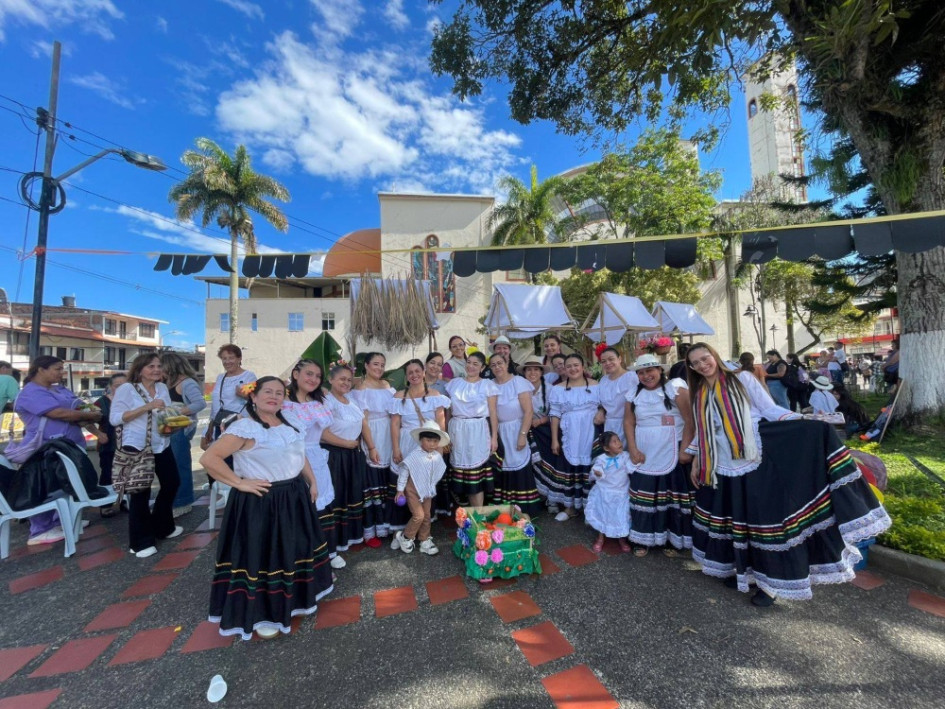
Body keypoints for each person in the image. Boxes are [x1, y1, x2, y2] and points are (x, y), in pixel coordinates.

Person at [684, 342, 891, 606]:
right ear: (691, 367)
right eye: (697, 362)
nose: (703, 365)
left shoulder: (741, 378)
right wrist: (696, 459)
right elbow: (706, 430)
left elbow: (768, 409)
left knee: (767, 517)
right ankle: (747, 573)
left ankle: (773, 585)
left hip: (756, 454)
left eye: (705, 358)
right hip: (723, 463)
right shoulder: (700, 391)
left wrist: (802, 421)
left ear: (715, 355)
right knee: (741, 519)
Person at [201, 376, 334, 640]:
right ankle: (265, 612)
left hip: (293, 495)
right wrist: (239, 483)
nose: (274, 397)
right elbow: (209, 458)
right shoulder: (245, 428)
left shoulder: (291, 422)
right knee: (266, 555)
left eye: (279, 393)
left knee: (294, 548)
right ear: (253, 396)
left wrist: (312, 480)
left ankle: (296, 599)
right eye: (267, 392)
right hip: (263, 500)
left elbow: (299, 453)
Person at [13, 356, 104, 544]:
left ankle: (61, 520)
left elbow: (78, 406)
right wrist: (89, 414)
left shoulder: (58, 389)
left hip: (69, 445)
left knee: (65, 484)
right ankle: (39, 530)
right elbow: (58, 413)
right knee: (45, 486)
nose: (61, 373)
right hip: (45, 448)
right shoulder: (31, 392)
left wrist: (90, 418)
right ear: (40, 369)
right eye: (57, 369)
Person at [110, 353, 182, 558]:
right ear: (140, 369)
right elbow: (115, 419)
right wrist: (146, 407)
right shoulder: (127, 389)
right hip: (136, 446)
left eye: (159, 366)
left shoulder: (161, 388)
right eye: (151, 366)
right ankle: (140, 542)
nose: (157, 369)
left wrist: (174, 423)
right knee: (140, 492)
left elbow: (163, 414)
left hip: (161, 444)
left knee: (172, 483)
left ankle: (162, 526)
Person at [624, 353, 695, 557]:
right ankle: (642, 537)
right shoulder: (632, 394)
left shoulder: (675, 387)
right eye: (641, 372)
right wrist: (633, 448)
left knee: (671, 494)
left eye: (650, 371)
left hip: (672, 447)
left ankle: (671, 539)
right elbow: (628, 422)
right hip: (645, 449)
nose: (646, 376)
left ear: (660, 370)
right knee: (644, 493)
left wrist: (686, 448)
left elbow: (690, 419)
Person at [283, 359, 345, 570]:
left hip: (316, 458)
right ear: (295, 374)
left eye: (318, 376)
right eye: (309, 374)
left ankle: (329, 550)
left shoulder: (320, 403)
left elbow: (323, 433)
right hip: (291, 459)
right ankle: (305, 556)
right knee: (301, 507)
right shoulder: (283, 403)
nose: (313, 379)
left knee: (322, 505)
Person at [390, 359, 451, 537]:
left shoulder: (435, 395)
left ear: (423, 372)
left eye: (418, 371)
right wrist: (395, 449)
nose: (414, 375)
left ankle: (423, 526)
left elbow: (441, 423)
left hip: (429, 444)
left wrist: (440, 448)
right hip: (407, 442)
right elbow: (395, 425)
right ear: (406, 376)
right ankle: (404, 528)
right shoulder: (399, 397)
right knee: (406, 483)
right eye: (410, 373)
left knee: (425, 483)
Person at [322, 364, 375, 552]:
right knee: (339, 497)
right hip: (335, 457)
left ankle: (353, 536)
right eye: (341, 379)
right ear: (331, 379)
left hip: (353, 455)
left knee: (353, 494)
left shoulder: (350, 401)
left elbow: (363, 424)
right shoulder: (326, 402)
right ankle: (335, 542)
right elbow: (321, 433)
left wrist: (372, 447)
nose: (345, 383)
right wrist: (347, 444)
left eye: (348, 379)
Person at [547, 353, 600, 521]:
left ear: (583, 366)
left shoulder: (597, 385)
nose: (573, 368)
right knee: (569, 469)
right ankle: (570, 508)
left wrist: (602, 411)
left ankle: (589, 510)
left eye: (576, 365)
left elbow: (606, 405)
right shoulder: (558, 389)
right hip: (569, 433)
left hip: (591, 432)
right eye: (568, 366)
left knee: (590, 469)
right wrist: (554, 439)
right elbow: (554, 414)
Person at [350, 352, 395, 547]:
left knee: (387, 481)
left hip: (390, 434)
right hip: (374, 435)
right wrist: (371, 446)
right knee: (373, 482)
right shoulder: (361, 389)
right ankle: (372, 530)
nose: (379, 368)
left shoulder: (387, 386)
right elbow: (364, 421)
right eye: (375, 364)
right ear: (366, 366)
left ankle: (388, 525)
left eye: (382, 364)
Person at [445, 351, 499, 508]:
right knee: (462, 476)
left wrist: (494, 437)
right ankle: (466, 514)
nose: (471, 366)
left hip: (478, 431)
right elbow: (448, 411)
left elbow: (493, 413)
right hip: (457, 430)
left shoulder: (488, 385)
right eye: (469, 362)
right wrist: (446, 435)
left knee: (475, 476)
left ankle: (478, 514)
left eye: (476, 364)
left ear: (482, 368)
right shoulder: (454, 384)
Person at [489, 353, 541, 516]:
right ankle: (506, 511)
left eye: (500, 363)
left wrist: (522, 434)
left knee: (520, 467)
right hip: (500, 431)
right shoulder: (490, 385)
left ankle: (524, 510)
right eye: (493, 365)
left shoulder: (519, 382)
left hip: (517, 428)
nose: (497, 367)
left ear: (507, 363)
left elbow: (528, 411)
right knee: (502, 469)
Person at [160, 352, 206, 519]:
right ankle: (175, 500)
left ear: (170, 366)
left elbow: (200, 403)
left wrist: (176, 411)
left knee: (181, 466)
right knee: (171, 467)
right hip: (169, 428)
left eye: (161, 366)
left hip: (180, 429)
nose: (159, 370)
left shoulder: (186, 383)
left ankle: (183, 502)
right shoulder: (168, 382)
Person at [392, 421, 449, 555]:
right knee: (418, 516)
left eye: (435, 441)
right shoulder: (414, 455)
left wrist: (431, 482)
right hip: (412, 490)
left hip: (427, 491)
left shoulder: (436, 456)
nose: (432, 444)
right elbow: (404, 472)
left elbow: (436, 470)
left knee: (427, 516)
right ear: (421, 440)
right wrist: (400, 490)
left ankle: (424, 540)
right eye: (429, 440)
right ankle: (405, 537)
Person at [201, 344, 256, 450]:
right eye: (224, 358)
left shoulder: (249, 376)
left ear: (239, 358)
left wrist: (244, 396)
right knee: (221, 456)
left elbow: (256, 401)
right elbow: (216, 405)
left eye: (231, 358)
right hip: (220, 424)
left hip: (239, 425)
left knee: (235, 458)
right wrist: (211, 426)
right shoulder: (220, 377)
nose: (227, 362)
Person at [586, 431, 632, 553]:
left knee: (621, 515)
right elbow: (597, 468)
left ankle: (622, 538)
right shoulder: (602, 459)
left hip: (621, 492)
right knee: (603, 514)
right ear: (606, 448)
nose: (619, 443)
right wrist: (598, 472)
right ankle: (601, 537)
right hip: (605, 492)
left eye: (619, 440)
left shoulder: (625, 456)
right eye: (614, 442)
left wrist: (637, 463)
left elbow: (631, 467)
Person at [596, 347, 638, 446]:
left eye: (611, 359)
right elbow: (602, 402)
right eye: (604, 361)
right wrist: (601, 411)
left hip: (628, 424)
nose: (607, 363)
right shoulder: (603, 380)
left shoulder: (631, 377)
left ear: (619, 359)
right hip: (609, 425)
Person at [95, 373, 127, 487]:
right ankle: (107, 504)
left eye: (125, 385)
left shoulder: (135, 401)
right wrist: (98, 434)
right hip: (109, 447)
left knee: (128, 477)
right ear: (110, 387)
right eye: (117, 385)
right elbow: (86, 420)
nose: (121, 388)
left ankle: (124, 502)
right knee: (108, 476)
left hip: (131, 446)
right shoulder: (101, 402)